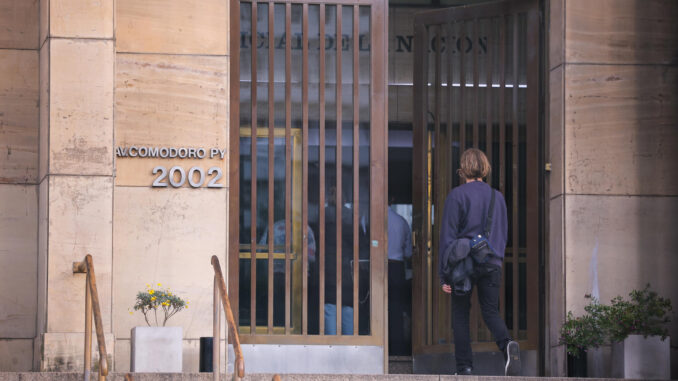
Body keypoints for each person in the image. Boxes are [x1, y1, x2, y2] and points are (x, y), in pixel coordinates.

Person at [439, 148, 521, 376]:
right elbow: (503, 234)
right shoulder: (498, 196)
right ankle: (507, 347)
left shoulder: (457, 195)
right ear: (485, 168)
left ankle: (464, 367)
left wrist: (443, 275)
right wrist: (496, 261)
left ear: (463, 168)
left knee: (460, 314)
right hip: (491, 261)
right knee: (491, 311)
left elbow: (447, 237)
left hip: (463, 264)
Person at [387, 199, 412, 355]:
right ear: (392, 200)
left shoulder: (369, 218)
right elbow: (409, 252)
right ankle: (396, 349)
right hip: (397, 267)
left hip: (377, 266)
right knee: (396, 309)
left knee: (374, 308)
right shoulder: (401, 221)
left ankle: (377, 343)